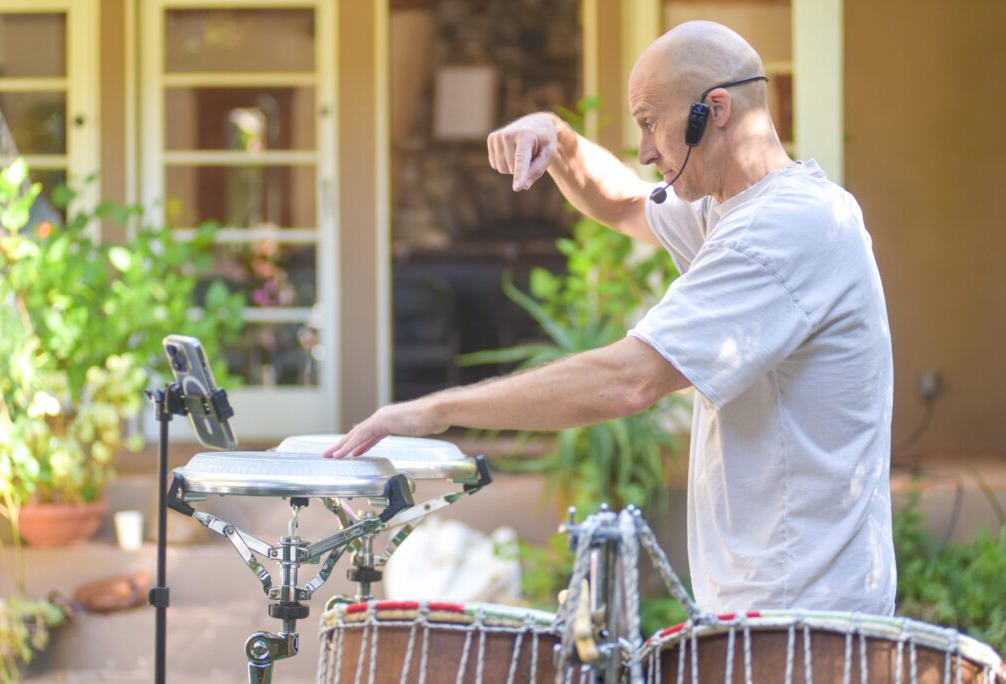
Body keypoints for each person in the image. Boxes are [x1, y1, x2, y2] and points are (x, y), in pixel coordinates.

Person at [326, 20, 895, 615]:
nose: (647, 151)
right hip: (769, 603)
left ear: (714, 110)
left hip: (802, 613)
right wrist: (558, 139)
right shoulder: (729, 212)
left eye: (651, 122)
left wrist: (434, 409)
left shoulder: (784, 230)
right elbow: (624, 201)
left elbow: (627, 380)